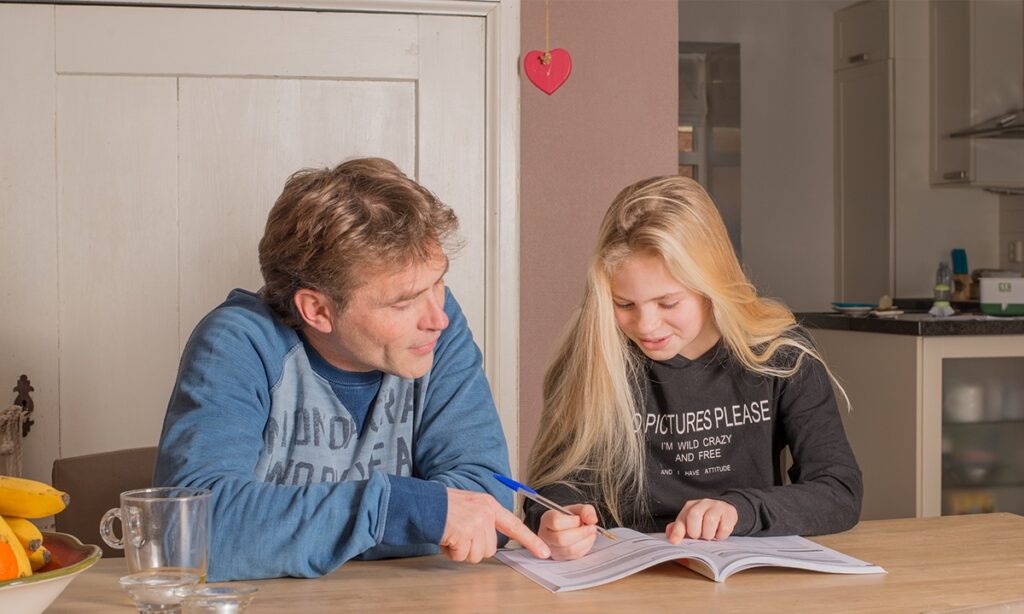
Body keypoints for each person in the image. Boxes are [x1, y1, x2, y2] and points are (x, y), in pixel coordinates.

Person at [155, 157, 549, 581]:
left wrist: (281, 533)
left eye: (438, 282)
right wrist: (406, 510)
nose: (438, 317)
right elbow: (190, 531)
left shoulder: (435, 328)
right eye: (403, 301)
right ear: (318, 310)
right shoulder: (236, 343)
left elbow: (483, 501)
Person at [525, 175, 862, 560]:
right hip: (623, 571)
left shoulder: (782, 354)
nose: (646, 326)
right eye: (624, 304)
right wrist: (557, 517)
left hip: (744, 572)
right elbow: (559, 482)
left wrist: (740, 510)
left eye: (668, 304)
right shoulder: (593, 353)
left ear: (711, 285)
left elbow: (839, 491)